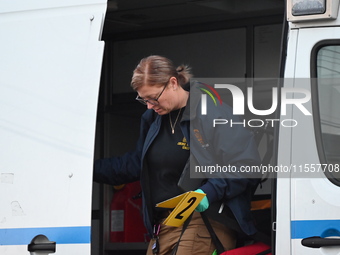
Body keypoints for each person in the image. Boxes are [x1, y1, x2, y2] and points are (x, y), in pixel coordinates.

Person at [94, 55, 261, 255]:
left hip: (206, 219)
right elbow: (136, 164)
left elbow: (247, 165)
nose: (149, 105)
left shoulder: (213, 113)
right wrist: (84, 169)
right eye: (143, 100)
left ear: (173, 83)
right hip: (164, 223)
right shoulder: (152, 119)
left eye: (154, 98)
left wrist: (209, 192)